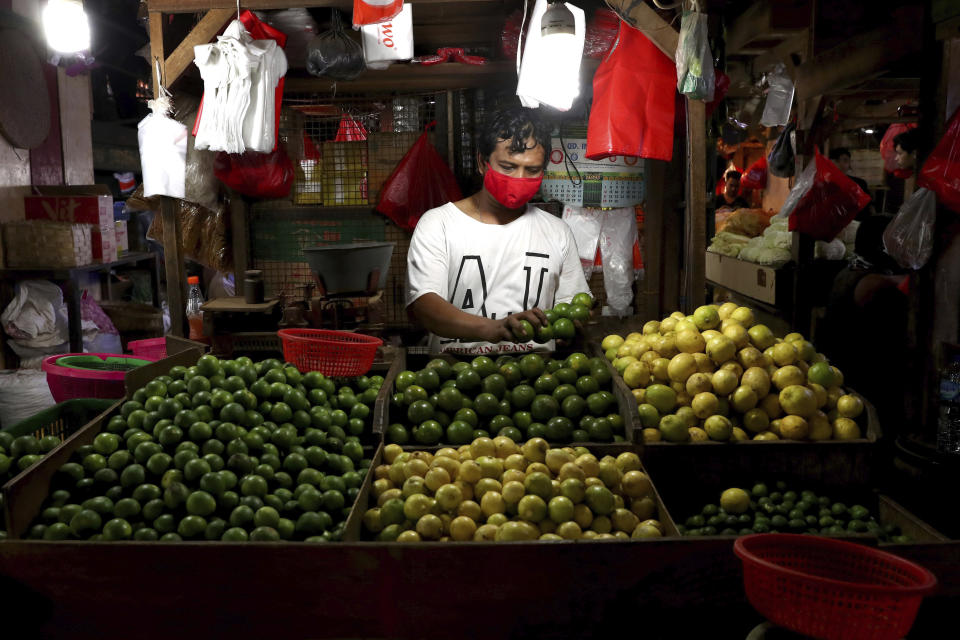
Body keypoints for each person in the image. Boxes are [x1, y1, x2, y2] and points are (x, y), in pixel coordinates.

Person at [405, 105, 589, 355]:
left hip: (538, 381)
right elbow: (425, 307)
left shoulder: (557, 232)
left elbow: (573, 306)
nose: (519, 178)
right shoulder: (439, 224)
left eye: (532, 170)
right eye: (508, 167)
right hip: (454, 378)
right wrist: (492, 328)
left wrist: (574, 326)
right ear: (483, 162)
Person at [829, 147, 873, 220]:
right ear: (832, 162)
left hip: (855, 223)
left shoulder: (859, 183)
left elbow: (867, 207)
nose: (843, 164)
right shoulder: (826, 184)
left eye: (846, 161)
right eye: (838, 161)